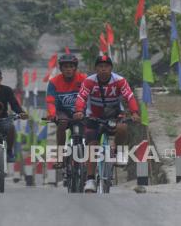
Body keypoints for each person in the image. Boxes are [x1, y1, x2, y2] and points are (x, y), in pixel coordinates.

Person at [73, 55, 140, 193]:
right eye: (100, 67)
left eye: (106, 67)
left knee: (122, 128)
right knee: (92, 146)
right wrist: (79, 111)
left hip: (114, 115)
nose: (103, 70)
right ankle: (90, 180)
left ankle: (117, 152)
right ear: (96, 69)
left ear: (111, 68)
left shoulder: (120, 81)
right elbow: (81, 97)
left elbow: (130, 96)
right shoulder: (89, 81)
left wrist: (134, 112)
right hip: (94, 116)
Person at [46, 54, 87, 168]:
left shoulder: (84, 79)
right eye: (65, 67)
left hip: (81, 112)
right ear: (61, 69)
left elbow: (91, 97)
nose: (68, 69)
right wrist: (53, 114)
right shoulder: (54, 82)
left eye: (71, 66)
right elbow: (50, 101)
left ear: (75, 68)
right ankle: (60, 157)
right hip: (63, 112)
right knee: (62, 123)